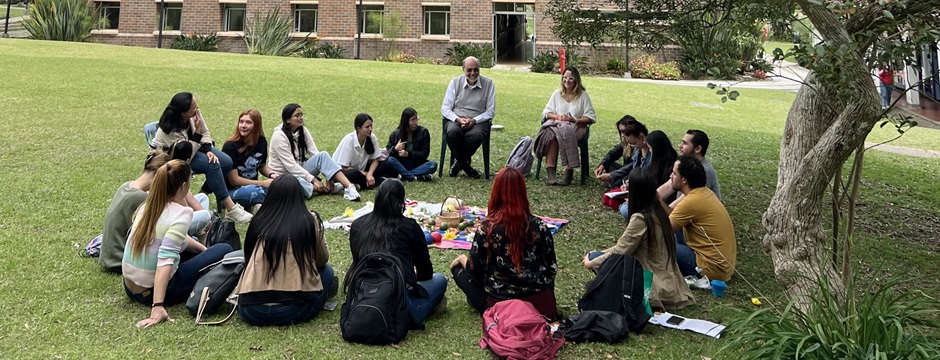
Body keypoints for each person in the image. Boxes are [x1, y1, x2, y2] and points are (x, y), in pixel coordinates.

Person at [122, 160, 233, 328]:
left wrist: (205, 254)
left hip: (130, 288)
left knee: (197, 248)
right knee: (224, 249)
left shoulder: (148, 206)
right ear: (183, 186)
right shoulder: (182, 213)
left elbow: (179, 240)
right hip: (152, 293)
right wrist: (158, 306)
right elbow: (165, 260)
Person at [450, 167, 559, 319]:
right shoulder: (540, 226)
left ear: (496, 192)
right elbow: (551, 268)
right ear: (522, 192)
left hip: (501, 306)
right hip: (541, 305)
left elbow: (475, 271)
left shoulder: (487, 229)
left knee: (458, 271)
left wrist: (463, 260)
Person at [583, 168, 694, 310]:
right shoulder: (659, 211)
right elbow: (623, 245)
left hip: (654, 283)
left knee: (595, 258)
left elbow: (620, 252)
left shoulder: (640, 219)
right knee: (598, 255)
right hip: (669, 281)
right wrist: (602, 251)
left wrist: (591, 263)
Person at [236, 176, 336, 326]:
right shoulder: (309, 219)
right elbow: (322, 260)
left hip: (252, 309)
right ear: (299, 195)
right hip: (292, 309)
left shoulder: (258, 220)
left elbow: (248, 258)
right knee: (327, 272)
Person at [348, 179, 447, 325]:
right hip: (399, 305)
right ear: (401, 203)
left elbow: (358, 261)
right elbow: (425, 273)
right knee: (440, 280)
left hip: (362, 294)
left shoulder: (358, 225)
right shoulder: (409, 227)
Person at [99, 151, 212, 274]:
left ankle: (200, 235)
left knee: (202, 198)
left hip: (111, 257)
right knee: (202, 218)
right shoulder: (142, 199)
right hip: (119, 259)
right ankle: (202, 234)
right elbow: (174, 221)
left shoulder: (126, 186)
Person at [151, 92, 253, 223]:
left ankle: (203, 193)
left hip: (193, 147)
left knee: (226, 162)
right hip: (173, 157)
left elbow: (205, 131)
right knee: (212, 164)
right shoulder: (169, 130)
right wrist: (197, 133)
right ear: (183, 113)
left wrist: (208, 150)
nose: (197, 107)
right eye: (194, 106)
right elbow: (185, 153)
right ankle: (230, 208)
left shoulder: (194, 115)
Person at [664, 156, 737, 285]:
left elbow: (662, 231)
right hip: (723, 266)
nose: (670, 176)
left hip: (710, 269)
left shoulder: (691, 202)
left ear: (684, 180)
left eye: (674, 173)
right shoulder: (705, 193)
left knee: (659, 244)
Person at [267, 103, 360, 201]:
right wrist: (314, 180)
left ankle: (349, 187)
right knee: (295, 183)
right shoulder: (279, 136)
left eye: (301, 115)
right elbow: (291, 166)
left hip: (299, 170)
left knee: (323, 155)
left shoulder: (303, 131)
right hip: (283, 177)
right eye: (297, 116)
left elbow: (315, 153)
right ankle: (322, 189)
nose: (301, 118)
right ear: (287, 120)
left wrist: (329, 177)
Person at [535, 67, 596, 186]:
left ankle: (569, 171)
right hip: (557, 125)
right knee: (551, 136)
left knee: (568, 133)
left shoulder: (583, 96)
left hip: (576, 127)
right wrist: (558, 117)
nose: (567, 81)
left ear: (576, 80)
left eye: (570, 78)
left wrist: (575, 120)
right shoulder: (557, 94)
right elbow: (546, 113)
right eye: (565, 78)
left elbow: (591, 117)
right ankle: (550, 171)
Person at [441, 56, 496, 179]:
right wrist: (458, 119)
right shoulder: (455, 82)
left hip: (479, 120)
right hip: (457, 119)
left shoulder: (489, 84)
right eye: (469, 70)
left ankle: (459, 162)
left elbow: (490, 111)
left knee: (475, 136)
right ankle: (465, 166)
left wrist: (474, 120)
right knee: (452, 132)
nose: (473, 73)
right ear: (463, 69)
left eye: (476, 70)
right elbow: (445, 108)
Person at [222, 109, 276, 213]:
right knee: (260, 192)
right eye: (241, 121)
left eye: (248, 122)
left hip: (254, 186)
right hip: (232, 192)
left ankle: (255, 206)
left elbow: (262, 165)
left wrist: (273, 175)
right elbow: (234, 180)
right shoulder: (230, 147)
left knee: (284, 183)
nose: (243, 125)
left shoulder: (261, 142)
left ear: (256, 125)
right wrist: (262, 183)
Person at [656, 129, 722, 209]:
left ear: (698, 149)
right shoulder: (685, 165)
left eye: (685, 143)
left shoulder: (704, 171)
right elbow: (667, 187)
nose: (680, 146)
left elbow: (678, 205)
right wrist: (648, 201)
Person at [619, 130, 677, 219]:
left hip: (661, 202)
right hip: (652, 199)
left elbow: (660, 192)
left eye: (650, 149)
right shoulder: (654, 162)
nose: (650, 151)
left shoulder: (672, 167)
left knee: (626, 209)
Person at [380, 107, 437, 182]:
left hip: (416, 164)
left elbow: (424, 154)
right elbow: (388, 155)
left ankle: (404, 176)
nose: (415, 122)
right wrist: (395, 149)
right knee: (390, 161)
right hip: (400, 164)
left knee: (432, 165)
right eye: (412, 120)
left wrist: (408, 154)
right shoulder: (395, 134)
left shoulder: (423, 132)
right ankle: (415, 177)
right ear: (406, 122)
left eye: (416, 119)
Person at [332, 113, 383, 190]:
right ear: (358, 129)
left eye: (371, 126)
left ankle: (363, 183)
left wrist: (369, 174)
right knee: (355, 174)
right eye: (367, 127)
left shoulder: (372, 137)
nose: (370, 129)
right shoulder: (349, 140)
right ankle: (370, 182)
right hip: (344, 172)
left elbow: (375, 159)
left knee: (385, 164)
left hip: (362, 170)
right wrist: (363, 173)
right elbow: (344, 167)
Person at [595, 116, 649, 187]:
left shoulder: (641, 145)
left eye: (624, 131)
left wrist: (612, 175)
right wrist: (602, 166)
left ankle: (616, 183)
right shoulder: (626, 143)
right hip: (627, 171)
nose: (623, 135)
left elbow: (634, 166)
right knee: (609, 164)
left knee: (628, 177)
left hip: (633, 173)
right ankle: (617, 182)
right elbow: (613, 154)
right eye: (621, 132)